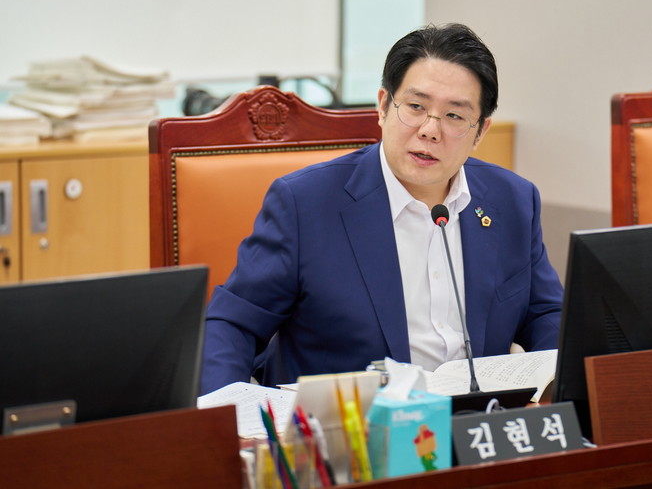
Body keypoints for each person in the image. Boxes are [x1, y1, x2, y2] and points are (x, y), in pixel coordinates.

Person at [200, 23, 563, 395]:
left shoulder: (512, 201)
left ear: (481, 131)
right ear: (383, 106)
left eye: (455, 116)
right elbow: (232, 325)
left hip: (476, 421)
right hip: (350, 424)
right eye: (416, 107)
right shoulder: (304, 204)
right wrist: (225, 418)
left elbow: (547, 316)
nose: (430, 130)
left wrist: (563, 391)